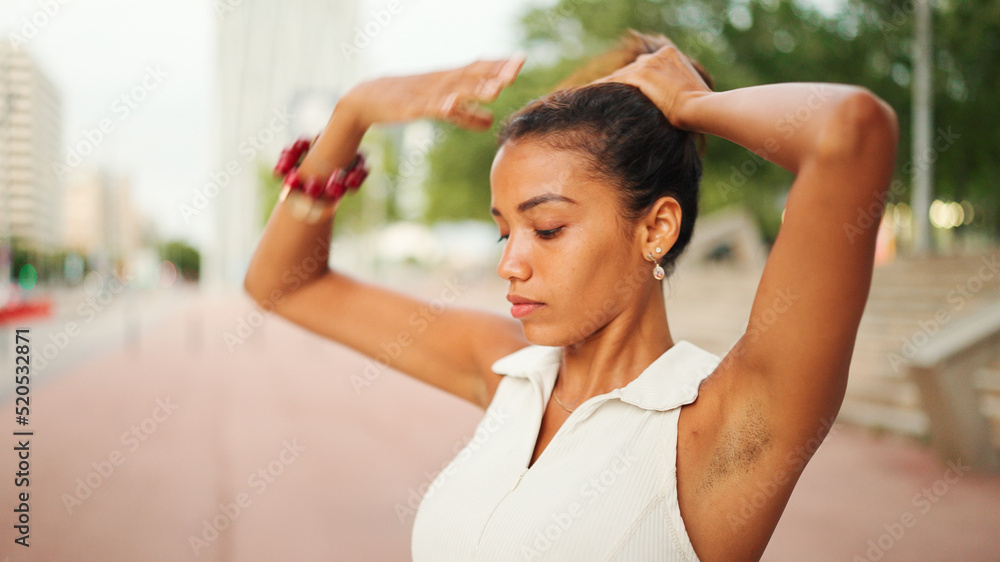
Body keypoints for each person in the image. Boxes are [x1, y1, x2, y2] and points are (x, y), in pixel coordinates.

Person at [243, 29, 898, 561]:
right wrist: (353, 113)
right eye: (504, 232)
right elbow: (283, 283)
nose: (510, 264)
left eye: (548, 228)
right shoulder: (508, 370)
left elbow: (853, 131)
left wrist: (691, 104)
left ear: (656, 229)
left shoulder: (723, 424)